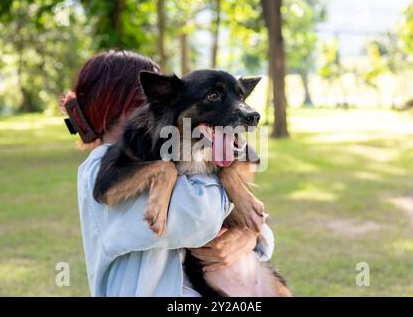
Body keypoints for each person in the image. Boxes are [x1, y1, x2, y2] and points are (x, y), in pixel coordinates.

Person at [62, 50, 275, 296]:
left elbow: (244, 222)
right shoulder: (103, 169)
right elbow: (201, 218)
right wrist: (228, 179)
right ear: (125, 106)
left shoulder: (168, 154)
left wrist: (252, 234)